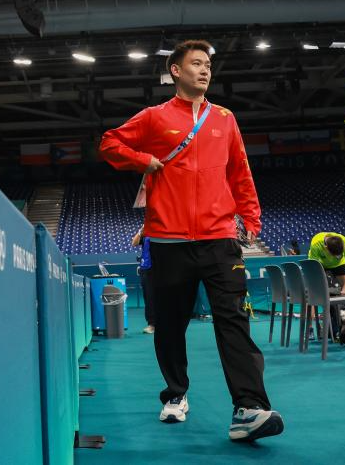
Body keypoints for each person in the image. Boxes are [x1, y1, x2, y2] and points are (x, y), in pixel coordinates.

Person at [99, 39, 283, 443]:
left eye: (208, 66)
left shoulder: (225, 118)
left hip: (220, 238)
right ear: (176, 71)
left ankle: (249, 407)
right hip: (168, 241)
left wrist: (251, 215)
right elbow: (109, 143)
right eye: (196, 64)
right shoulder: (154, 117)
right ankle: (175, 394)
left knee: (234, 321)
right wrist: (142, 160)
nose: (204, 70)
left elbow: (240, 171)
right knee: (170, 325)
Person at [133, 226, 156, 334]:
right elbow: (134, 243)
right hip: (146, 268)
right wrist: (140, 231)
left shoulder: (162, 231)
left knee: (163, 297)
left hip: (161, 268)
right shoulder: (145, 232)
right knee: (149, 298)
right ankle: (152, 324)